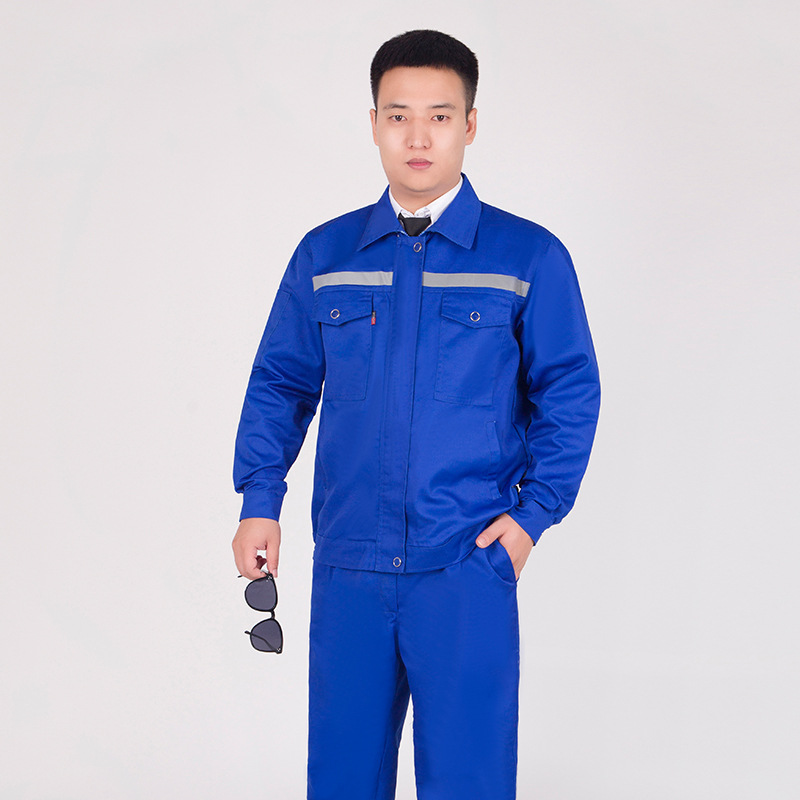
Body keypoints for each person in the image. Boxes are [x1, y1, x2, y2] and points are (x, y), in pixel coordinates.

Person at [232, 29, 600, 800]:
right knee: (343, 781)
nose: (419, 137)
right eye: (399, 116)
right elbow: (280, 382)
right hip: (350, 567)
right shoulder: (325, 255)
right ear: (374, 124)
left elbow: (569, 391)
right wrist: (260, 500)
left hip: (466, 565)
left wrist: (531, 520)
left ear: (471, 125)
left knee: (468, 783)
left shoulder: (527, 257)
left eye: (440, 116)